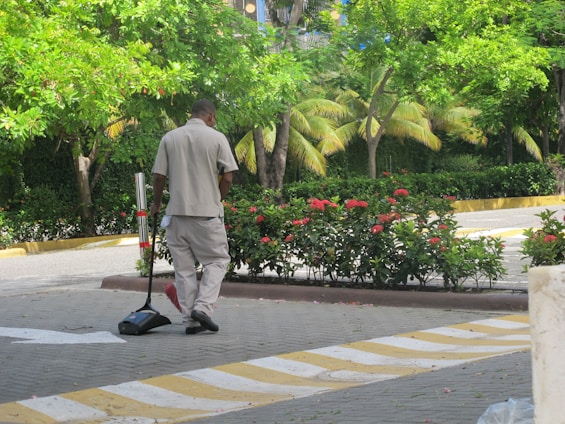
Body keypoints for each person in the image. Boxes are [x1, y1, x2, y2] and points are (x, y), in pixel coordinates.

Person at [150, 99, 238, 334]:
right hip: (206, 214)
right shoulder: (217, 138)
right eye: (214, 118)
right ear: (210, 116)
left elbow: (159, 176)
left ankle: (190, 320)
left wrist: (157, 203)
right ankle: (203, 308)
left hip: (176, 215)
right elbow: (228, 177)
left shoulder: (170, 138)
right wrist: (216, 199)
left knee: (184, 270)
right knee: (217, 261)